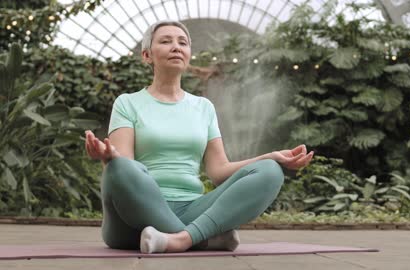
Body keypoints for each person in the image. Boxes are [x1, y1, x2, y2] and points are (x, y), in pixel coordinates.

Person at [84, 21, 314, 254]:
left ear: (189, 54)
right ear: (147, 55)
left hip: (193, 208)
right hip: (133, 220)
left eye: (182, 42)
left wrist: (269, 156)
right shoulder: (127, 103)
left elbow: (218, 171)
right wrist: (109, 159)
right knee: (120, 168)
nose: (176, 47)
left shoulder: (204, 107)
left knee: (270, 170)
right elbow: (125, 169)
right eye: (165, 41)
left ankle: (180, 240)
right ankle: (202, 239)